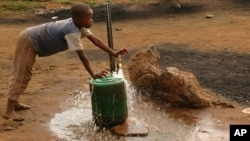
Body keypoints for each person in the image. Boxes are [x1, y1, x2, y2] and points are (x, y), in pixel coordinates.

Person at [3, 3, 128, 121]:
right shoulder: (72, 30)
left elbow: (95, 40)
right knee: (22, 74)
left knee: (25, 74)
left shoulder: (79, 26)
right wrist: (93, 74)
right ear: (78, 19)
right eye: (89, 18)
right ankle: (9, 111)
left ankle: (15, 103)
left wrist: (113, 53)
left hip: (34, 39)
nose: (92, 20)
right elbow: (82, 56)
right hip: (29, 40)